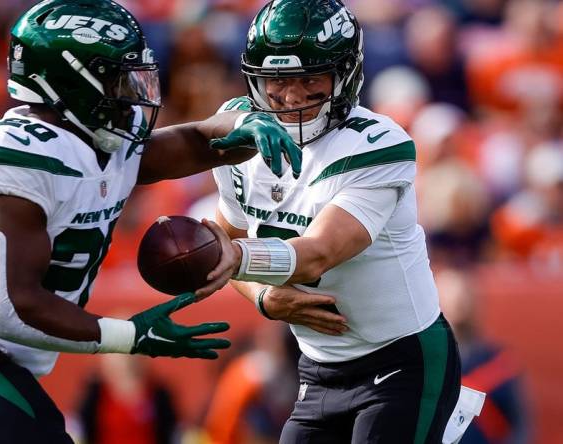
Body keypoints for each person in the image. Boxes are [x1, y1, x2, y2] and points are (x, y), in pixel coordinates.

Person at [0, 1, 304, 443]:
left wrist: (254, 124)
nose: (131, 93)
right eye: (116, 79)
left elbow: (197, 142)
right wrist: (129, 335)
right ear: (70, 81)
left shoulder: (103, 140)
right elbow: (11, 307)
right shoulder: (21, 150)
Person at [199, 1, 463, 442]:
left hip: (400, 361)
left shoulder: (376, 144)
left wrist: (224, 256)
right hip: (317, 369)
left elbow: (316, 254)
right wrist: (262, 296)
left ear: (345, 76)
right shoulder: (241, 132)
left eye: (309, 79)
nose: (291, 96)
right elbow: (229, 236)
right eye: (277, 81)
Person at [437, 269, 531, 444]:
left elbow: (520, 426)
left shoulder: (497, 363)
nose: (456, 300)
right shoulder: (424, 364)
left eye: (462, 294)